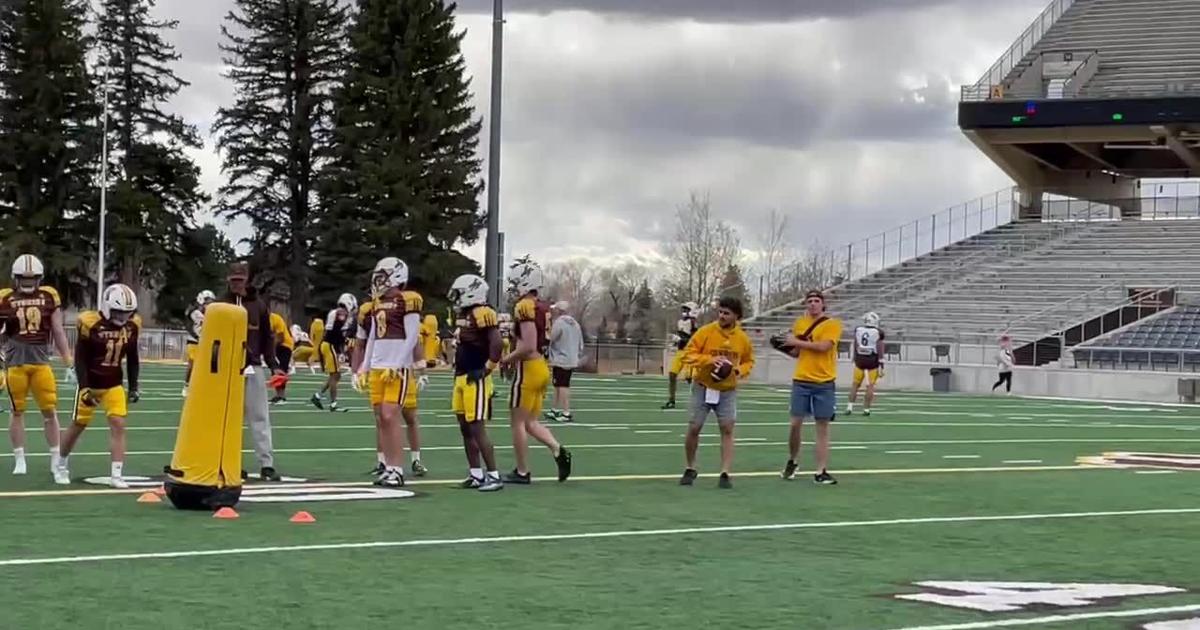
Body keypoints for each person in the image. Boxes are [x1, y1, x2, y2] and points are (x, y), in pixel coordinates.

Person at [352, 257, 428, 486]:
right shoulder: (376, 303)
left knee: (389, 415)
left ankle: (397, 469)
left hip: (397, 369)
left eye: (383, 274)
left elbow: (412, 335)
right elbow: (373, 335)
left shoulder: (408, 300)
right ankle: (388, 466)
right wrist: (364, 367)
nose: (378, 279)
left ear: (397, 275)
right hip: (377, 366)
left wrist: (398, 363)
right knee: (381, 419)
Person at [59, 284, 141, 489]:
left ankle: (116, 474)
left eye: (126, 312)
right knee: (78, 425)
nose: (123, 317)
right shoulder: (90, 324)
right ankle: (60, 464)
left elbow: (133, 358)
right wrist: (84, 388)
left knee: (118, 424)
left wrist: (134, 386)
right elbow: (80, 359)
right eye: (118, 311)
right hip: (92, 383)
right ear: (106, 306)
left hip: (114, 383)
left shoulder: (132, 326)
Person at [1, 254, 72, 484]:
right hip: (15, 363)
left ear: (39, 278)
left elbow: (58, 330)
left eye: (32, 278)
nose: (28, 282)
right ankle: (20, 458)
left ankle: (55, 458)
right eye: (24, 278)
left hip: (41, 362)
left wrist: (68, 361)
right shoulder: (4, 298)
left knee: (50, 412)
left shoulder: (49, 295)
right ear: (16, 278)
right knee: (16, 411)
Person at [501, 257, 572, 484]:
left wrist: (506, 359)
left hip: (529, 368)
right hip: (541, 365)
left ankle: (522, 472)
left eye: (515, 284)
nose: (513, 290)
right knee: (530, 422)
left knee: (518, 423)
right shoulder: (543, 307)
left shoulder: (525, 306)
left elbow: (528, 345)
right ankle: (558, 449)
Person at [678, 297, 754, 489]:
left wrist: (737, 371)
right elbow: (688, 354)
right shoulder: (706, 332)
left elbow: (748, 361)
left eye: (727, 313)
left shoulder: (743, 338)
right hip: (703, 386)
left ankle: (725, 472)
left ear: (737, 316)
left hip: (727, 390)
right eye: (720, 312)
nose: (722, 316)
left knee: (727, 429)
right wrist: (708, 361)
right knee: (694, 427)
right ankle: (690, 467)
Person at [220, 262, 284, 482]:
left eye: (240, 280)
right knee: (229, 419)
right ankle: (229, 462)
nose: (237, 284)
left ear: (246, 279)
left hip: (254, 366)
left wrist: (273, 363)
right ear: (229, 280)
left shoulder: (258, 305)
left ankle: (266, 464)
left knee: (259, 416)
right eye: (234, 280)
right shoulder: (221, 304)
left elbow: (267, 337)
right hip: (228, 369)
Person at [776, 290, 843, 486]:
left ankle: (820, 470)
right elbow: (798, 352)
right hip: (802, 379)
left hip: (824, 381)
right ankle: (793, 460)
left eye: (816, 301)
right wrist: (782, 348)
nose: (813, 304)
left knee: (822, 427)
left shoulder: (833, 324)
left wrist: (795, 342)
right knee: (795, 424)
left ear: (823, 304)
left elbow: (824, 347)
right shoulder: (800, 323)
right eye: (809, 301)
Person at [447, 274, 504, 492]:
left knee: (477, 427)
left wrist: (488, 368)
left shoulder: (483, 312)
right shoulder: (466, 314)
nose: (456, 298)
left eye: (459, 293)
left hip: (475, 377)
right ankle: (476, 474)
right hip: (461, 376)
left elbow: (496, 341)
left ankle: (494, 475)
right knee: (465, 428)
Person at [311, 293, 357, 412]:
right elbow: (337, 332)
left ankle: (317, 396)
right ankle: (333, 403)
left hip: (328, 345)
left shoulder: (335, 312)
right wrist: (345, 342)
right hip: (330, 345)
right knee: (335, 375)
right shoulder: (340, 313)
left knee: (335, 375)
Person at [546, 301, 584, 423]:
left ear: (559, 311)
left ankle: (566, 412)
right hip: (571, 358)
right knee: (558, 384)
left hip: (561, 359)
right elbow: (581, 344)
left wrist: (547, 328)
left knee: (562, 385)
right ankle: (554, 409)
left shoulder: (559, 323)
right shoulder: (576, 324)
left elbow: (552, 338)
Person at [846, 311, 885, 416]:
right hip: (872, 360)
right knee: (870, 386)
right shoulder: (878, 332)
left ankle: (849, 407)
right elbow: (880, 348)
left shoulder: (858, 330)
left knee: (855, 385)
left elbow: (855, 344)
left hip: (860, 359)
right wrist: (882, 364)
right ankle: (866, 409)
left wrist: (854, 356)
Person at [661, 302, 699, 409]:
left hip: (690, 352)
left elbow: (694, 340)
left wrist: (681, 340)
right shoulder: (680, 322)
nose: (684, 312)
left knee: (691, 378)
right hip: (680, 351)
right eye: (684, 310)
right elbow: (681, 337)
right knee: (672, 374)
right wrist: (675, 341)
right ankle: (671, 400)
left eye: (686, 310)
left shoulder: (693, 323)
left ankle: (700, 401)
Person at [183, 290, 214, 397]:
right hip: (193, 340)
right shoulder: (194, 312)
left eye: (211, 302)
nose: (209, 304)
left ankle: (199, 386)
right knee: (192, 363)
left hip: (204, 341)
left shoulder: (211, 314)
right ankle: (186, 385)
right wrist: (197, 337)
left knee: (204, 365)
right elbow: (189, 326)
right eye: (207, 301)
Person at [268, 312, 294, 404]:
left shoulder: (276, 319)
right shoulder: (262, 320)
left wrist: (272, 350)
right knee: (274, 370)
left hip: (285, 345)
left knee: (282, 370)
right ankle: (278, 395)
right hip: (274, 346)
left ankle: (282, 396)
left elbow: (280, 338)